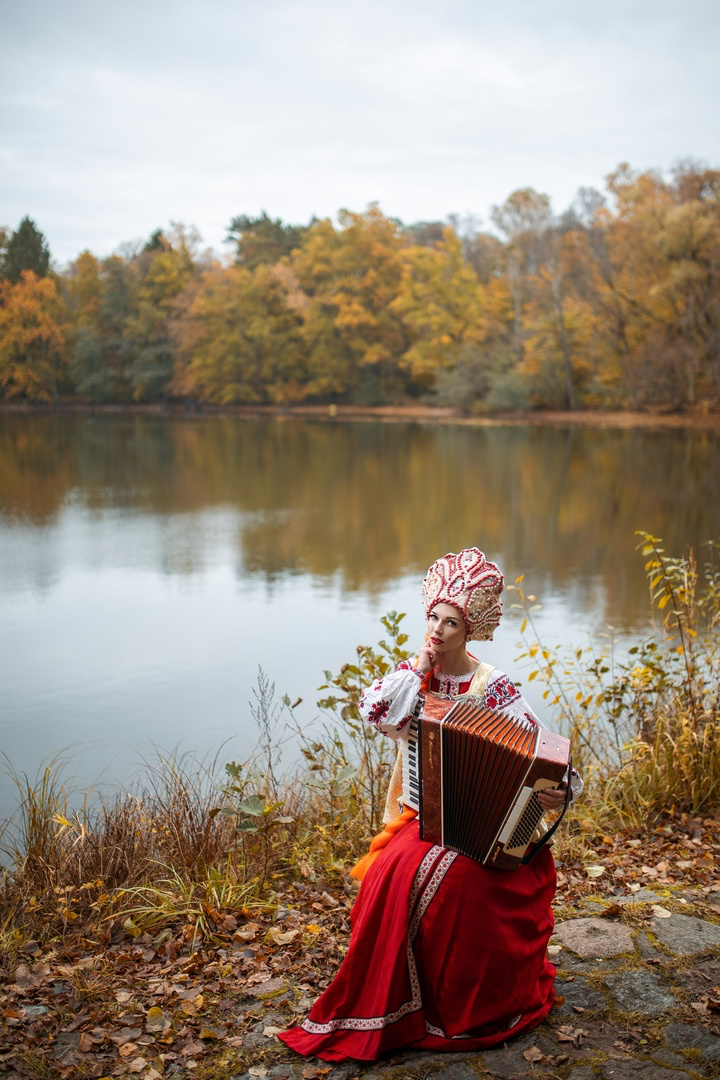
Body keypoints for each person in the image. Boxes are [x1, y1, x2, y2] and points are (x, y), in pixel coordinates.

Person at [279, 548, 582, 1063]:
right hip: (420, 813)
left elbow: (547, 755)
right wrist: (418, 669)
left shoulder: (495, 688)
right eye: (434, 619)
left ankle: (459, 1005)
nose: (438, 631)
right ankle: (393, 1003)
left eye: (451, 623)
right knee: (392, 874)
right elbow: (374, 712)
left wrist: (558, 792)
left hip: (484, 826)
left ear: (470, 631)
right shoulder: (410, 679)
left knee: (461, 883)